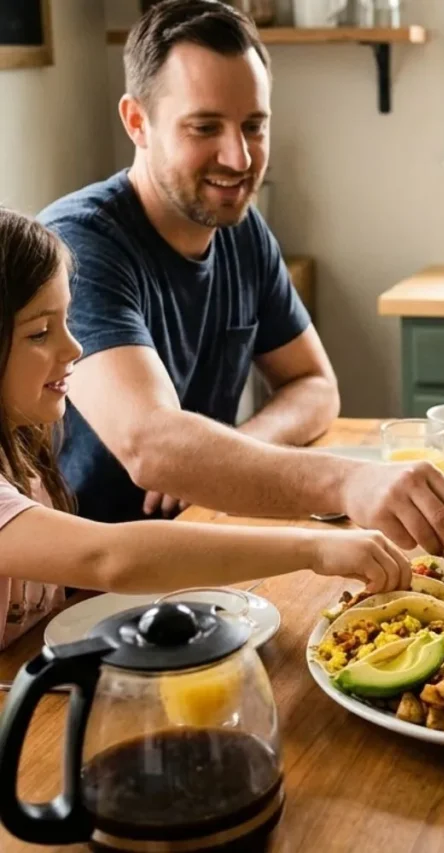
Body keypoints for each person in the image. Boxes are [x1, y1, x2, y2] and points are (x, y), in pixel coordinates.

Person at [38, 0, 444, 561]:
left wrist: (223, 454)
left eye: (254, 126)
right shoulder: (78, 246)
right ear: (136, 122)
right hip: (85, 583)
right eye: (205, 127)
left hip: (205, 542)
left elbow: (316, 387)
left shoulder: (240, 231)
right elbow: (151, 446)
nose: (239, 156)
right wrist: (347, 482)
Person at [0, 207, 411, 650]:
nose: (75, 347)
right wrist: (314, 549)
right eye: (41, 332)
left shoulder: (22, 449)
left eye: (67, 321)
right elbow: (108, 557)